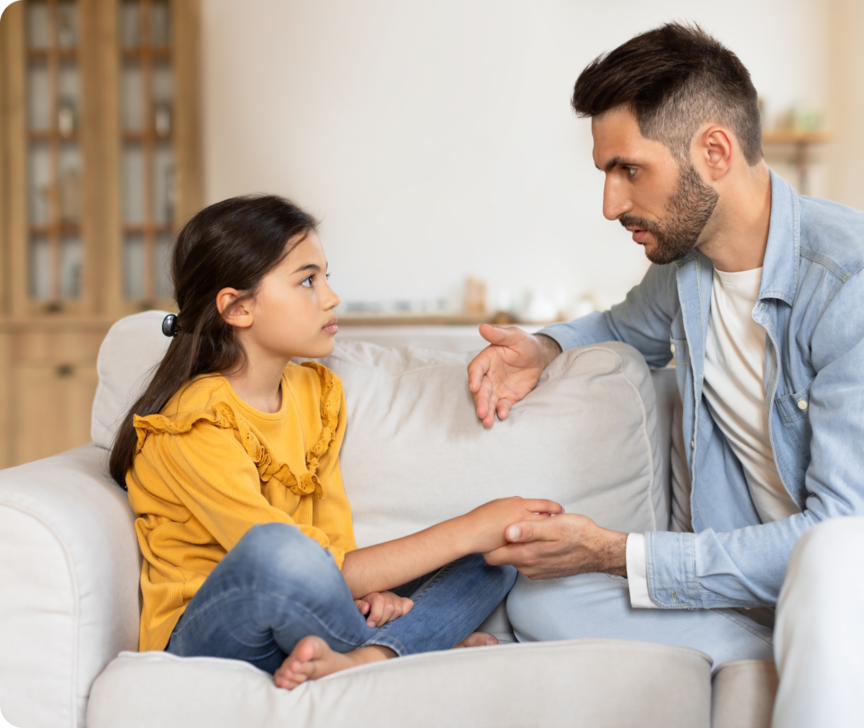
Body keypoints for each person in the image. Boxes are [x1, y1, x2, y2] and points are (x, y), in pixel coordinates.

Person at [467, 23, 864, 728]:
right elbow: (616, 327)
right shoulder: (687, 271)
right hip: (809, 586)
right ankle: (838, 658)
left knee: (838, 558)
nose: (609, 203)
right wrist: (541, 348)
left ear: (715, 152)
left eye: (629, 169)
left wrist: (619, 551)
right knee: (544, 596)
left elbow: (848, 527)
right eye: (605, 172)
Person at [111, 195, 563, 690]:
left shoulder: (315, 393)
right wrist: (467, 527)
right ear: (238, 308)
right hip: (211, 638)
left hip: (307, 614)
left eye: (326, 277)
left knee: (492, 557)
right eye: (307, 280)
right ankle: (403, 652)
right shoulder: (194, 423)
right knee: (278, 550)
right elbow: (302, 564)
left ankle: (366, 657)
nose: (331, 297)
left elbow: (332, 540)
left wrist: (369, 591)